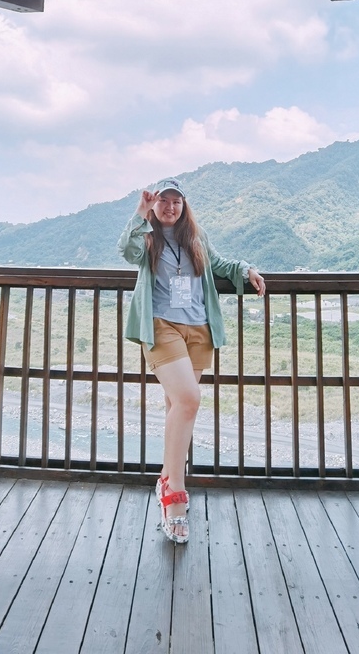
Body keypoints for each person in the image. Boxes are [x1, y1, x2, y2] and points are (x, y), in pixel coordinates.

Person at [118, 177, 266, 544]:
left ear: (184, 206)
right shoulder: (147, 237)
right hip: (161, 327)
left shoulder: (196, 237)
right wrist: (140, 214)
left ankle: (166, 479)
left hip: (198, 330)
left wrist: (245, 270)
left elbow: (218, 264)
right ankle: (175, 495)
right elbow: (127, 251)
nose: (170, 207)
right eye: (163, 201)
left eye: (176, 201)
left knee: (178, 408)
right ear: (154, 204)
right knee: (188, 401)